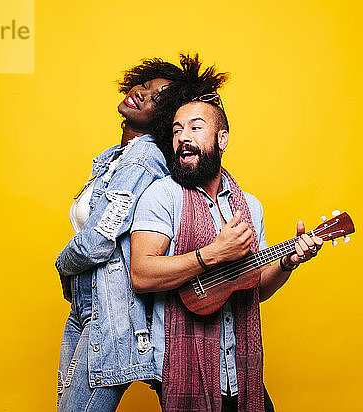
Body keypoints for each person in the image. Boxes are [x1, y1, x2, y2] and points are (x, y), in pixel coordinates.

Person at [54, 55, 228, 411]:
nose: (141, 93)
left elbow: (98, 240)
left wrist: (61, 263)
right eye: (144, 84)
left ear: (166, 119)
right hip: (85, 305)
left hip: (109, 312)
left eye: (157, 98)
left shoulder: (142, 159)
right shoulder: (113, 158)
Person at [130, 96, 324, 411]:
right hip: (184, 372)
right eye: (177, 130)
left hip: (243, 372)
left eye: (195, 127)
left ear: (222, 140)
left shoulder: (249, 207)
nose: (183, 138)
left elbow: (255, 288)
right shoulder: (163, 195)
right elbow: (141, 274)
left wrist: (287, 264)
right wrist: (212, 254)